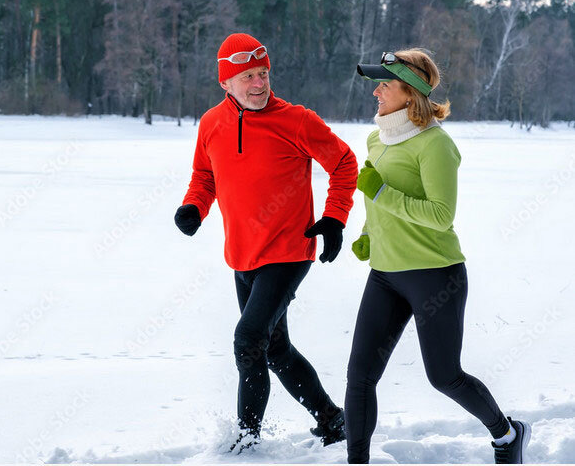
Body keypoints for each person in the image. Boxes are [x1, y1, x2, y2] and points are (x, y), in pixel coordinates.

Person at [174, 33, 358, 452]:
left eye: (263, 73)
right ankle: (332, 420)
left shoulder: (296, 120)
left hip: (289, 250)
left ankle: (245, 442)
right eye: (247, 77)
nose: (259, 83)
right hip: (242, 253)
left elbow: (344, 163)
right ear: (226, 83)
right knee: (275, 350)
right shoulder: (211, 124)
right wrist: (194, 207)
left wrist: (334, 218)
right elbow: (205, 176)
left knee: (247, 341)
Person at [345, 48, 530, 464]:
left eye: (386, 84)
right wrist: (368, 232)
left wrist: (379, 194)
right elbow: (381, 202)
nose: (377, 91)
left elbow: (441, 216)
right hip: (385, 275)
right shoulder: (377, 137)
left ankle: (507, 434)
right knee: (360, 377)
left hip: (435, 275)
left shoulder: (435, 146)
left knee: (444, 376)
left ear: (410, 94)